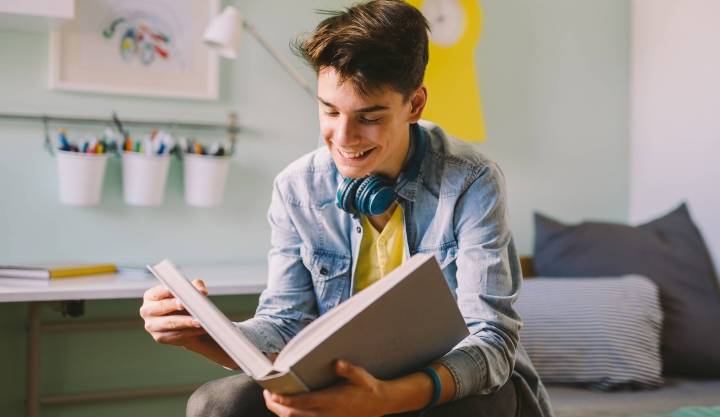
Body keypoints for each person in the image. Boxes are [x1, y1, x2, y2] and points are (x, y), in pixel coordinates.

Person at [140, 1, 553, 416]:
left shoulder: (472, 181)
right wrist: (203, 332)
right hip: (347, 380)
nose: (344, 137)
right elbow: (284, 325)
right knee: (217, 404)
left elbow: (491, 341)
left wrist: (384, 400)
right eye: (329, 110)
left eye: (369, 116)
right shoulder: (297, 188)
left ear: (415, 104)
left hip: (449, 385)